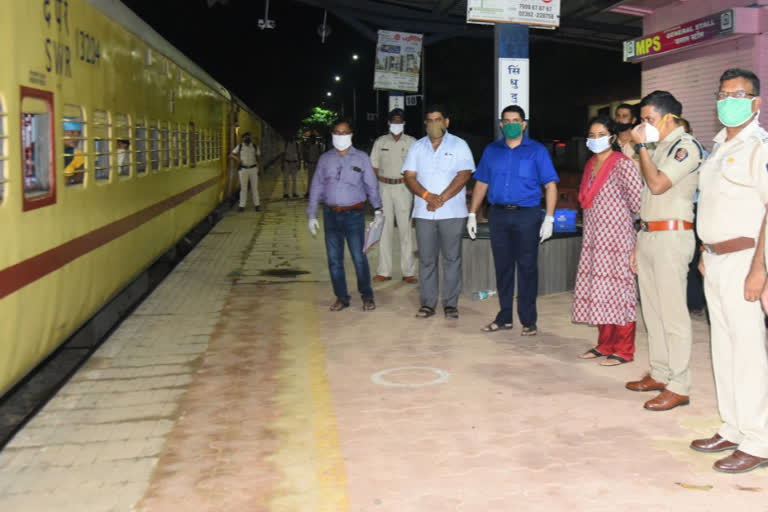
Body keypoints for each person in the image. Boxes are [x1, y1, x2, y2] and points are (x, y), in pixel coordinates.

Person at [693, 68, 768, 474]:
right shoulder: (719, 146)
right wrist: (706, 249)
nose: (729, 100)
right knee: (723, 348)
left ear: (756, 102)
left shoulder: (760, 148)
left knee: (749, 351)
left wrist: (761, 268)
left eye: (738, 94)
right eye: (723, 93)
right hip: (717, 259)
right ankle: (734, 427)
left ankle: (759, 439)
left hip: (746, 260)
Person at [626, 90, 703, 411]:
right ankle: (659, 372)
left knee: (673, 315)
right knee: (653, 312)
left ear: (670, 118)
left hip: (673, 237)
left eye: (649, 120)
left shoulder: (687, 148)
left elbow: (658, 184)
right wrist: (637, 243)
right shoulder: (658, 148)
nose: (644, 126)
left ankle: (679, 384)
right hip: (649, 235)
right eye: (642, 120)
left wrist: (642, 146)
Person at [467, 105, 558, 336]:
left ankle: (528, 319)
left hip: (527, 215)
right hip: (498, 214)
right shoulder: (492, 150)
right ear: (501, 124)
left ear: (524, 124)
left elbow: (550, 185)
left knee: (527, 268)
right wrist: (472, 213)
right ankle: (504, 316)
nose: (511, 124)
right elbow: (481, 183)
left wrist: (549, 217)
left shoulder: (537, 151)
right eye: (506, 121)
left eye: (515, 120)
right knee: (503, 267)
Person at [573, 116, 643, 365]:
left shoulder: (622, 164)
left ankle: (624, 350)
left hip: (617, 240)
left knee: (620, 295)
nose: (595, 140)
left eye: (600, 134)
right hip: (594, 241)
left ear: (612, 137)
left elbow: (638, 203)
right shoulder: (591, 163)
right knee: (600, 292)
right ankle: (605, 345)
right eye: (591, 136)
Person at [403, 105, 475, 319]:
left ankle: (450, 304)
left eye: (438, 119)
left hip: (452, 212)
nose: (434, 123)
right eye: (430, 120)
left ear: (446, 122)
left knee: (452, 259)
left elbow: (463, 175)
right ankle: (427, 303)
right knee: (426, 260)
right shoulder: (417, 147)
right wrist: (427, 196)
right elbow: (409, 176)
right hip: (424, 213)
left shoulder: (460, 145)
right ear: (425, 123)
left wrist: (441, 198)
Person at [307, 118, 382, 312]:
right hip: (331, 215)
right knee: (334, 259)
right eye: (337, 133)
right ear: (332, 135)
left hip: (354, 215)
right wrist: (311, 214)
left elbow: (371, 185)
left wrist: (378, 209)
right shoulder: (325, 159)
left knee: (359, 257)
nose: (341, 137)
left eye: (344, 133)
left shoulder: (362, 158)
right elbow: (316, 186)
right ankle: (342, 297)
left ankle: (367, 295)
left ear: (351, 135)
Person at [370, 108, 418, 283]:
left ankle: (408, 272)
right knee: (384, 229)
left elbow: (418, 167)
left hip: (404, 188)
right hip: (384, 187)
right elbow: (373, 166)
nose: (396, 124)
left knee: (406, 230)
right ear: (388, 123)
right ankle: (384, 270)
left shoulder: (413, 142)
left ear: (404, 123)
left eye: (400, 121)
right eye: (393, 121)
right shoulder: (380, 142)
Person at [230, 131, 262, 212]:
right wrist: (237, 159)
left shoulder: (254, 146)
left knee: (254, 188)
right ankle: (241, 206)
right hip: (243, 170)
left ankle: (257, 205)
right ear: (243, 138)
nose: (247, 138)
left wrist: (261, 169)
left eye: (248, 137)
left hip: (253, 169)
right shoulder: (240, 146)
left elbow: (258, 158)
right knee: (243, 188)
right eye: (245, 137)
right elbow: (231, 154)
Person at [63, 120, 85, 185]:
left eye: (78, 133)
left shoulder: (78, 154)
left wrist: (69, 179)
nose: (76, 137)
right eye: (72, 132)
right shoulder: (50, 152)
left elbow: (79, 179)